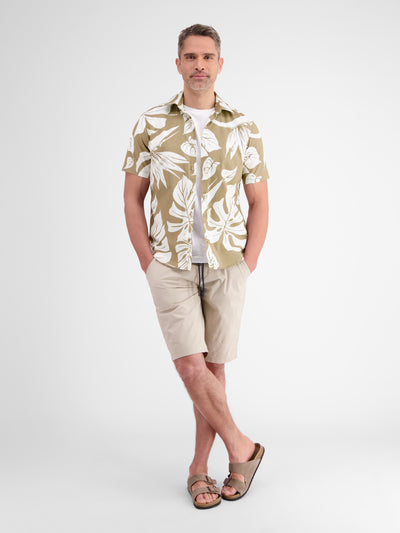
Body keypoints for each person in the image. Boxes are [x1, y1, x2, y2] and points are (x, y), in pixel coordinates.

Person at [122, 23, 270, 509]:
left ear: (220, 65)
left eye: (208, 57)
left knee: (213, 368)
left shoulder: (243, 126)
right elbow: (132, 198)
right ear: (178, 64)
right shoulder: (150, 123)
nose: (199, 65)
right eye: (191, 56)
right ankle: (243, 448)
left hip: (228, 264)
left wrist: (247, 264)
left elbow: (259, 201)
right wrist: (148, 262)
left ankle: (199, 470)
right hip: (170, 263)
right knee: (191, 367)